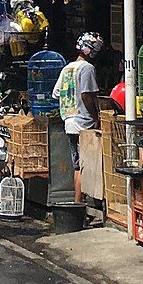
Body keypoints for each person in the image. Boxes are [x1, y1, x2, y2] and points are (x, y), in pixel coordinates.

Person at [55, 32, 106, 206]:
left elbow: (57, 93)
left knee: (77, 165)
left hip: (69, 122)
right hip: (84, 124)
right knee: (89, 164)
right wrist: (96, 116)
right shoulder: (87, 68)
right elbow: (86, 95)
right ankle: (85, 203)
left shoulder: (67, 68)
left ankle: (78, 203)